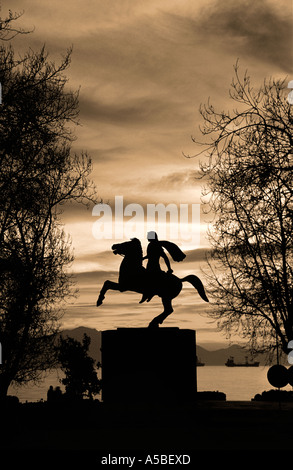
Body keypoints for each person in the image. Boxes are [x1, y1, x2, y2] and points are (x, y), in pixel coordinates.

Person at [140, 231, 185, 303]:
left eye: (148, 236)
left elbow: (165, 257)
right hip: (149, 266)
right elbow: (149, 255)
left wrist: (169, 268)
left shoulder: (157, 246)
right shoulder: (150, 245)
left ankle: (150, 293)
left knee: (149, 279)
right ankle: (148, 293)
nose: (147, 237)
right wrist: (142, 258)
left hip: (155, 267)